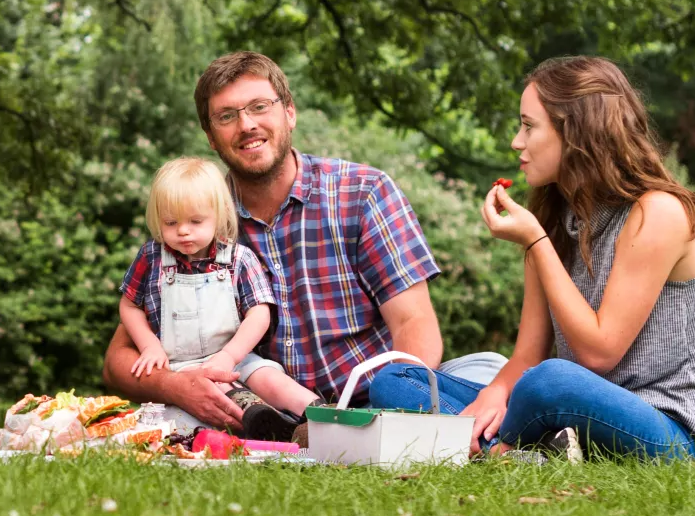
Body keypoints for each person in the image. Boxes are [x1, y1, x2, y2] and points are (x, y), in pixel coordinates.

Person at [358, 56, 695, 460]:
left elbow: (598, 354)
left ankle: (491, 448)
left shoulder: (658, 212)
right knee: (396, 380)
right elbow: (526, 354)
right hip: (576, 415)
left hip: (670, 431)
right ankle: (520, 449)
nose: (517, 142)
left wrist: (536, 242)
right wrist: (495, 393)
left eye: (529, 126)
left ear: (577, 132)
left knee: (549, 381)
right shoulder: (555, 218)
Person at [104, 52, 443, 432]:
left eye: (259, 106)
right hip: (260, 416)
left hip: (368, 404)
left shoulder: (363, 192)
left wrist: (394, 416)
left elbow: (414, 322)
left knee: (482, 368)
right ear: (211, 137)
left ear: (290, 113)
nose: (246, 124)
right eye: (226, 116)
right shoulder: (196, 218)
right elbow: (118, 360)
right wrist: (178, 386)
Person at [116, 157, 316, 421]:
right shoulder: (152, 257)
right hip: (180, 368)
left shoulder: (238, 259)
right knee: (215, 397)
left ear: (218, 216)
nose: (183, 231)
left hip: (236, 357)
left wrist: (228, 356)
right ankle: (264, 423)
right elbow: (129, 305)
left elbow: (260, 313)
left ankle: (320, 412)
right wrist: (149, 346)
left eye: (195, 221)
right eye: (171, 223)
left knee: (269, 378)